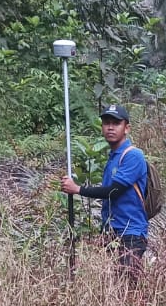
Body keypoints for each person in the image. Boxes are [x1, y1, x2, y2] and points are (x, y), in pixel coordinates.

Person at [60, 104, 150, 267]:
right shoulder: (113, 157)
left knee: (128, 286)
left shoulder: (133, 155)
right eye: (106, 123)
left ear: (126, 128)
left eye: (116, 123)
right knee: (115, 285)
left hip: (130, 233)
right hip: (112, 232)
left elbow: (114, 191)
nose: (110, 128)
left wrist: (78, 189)